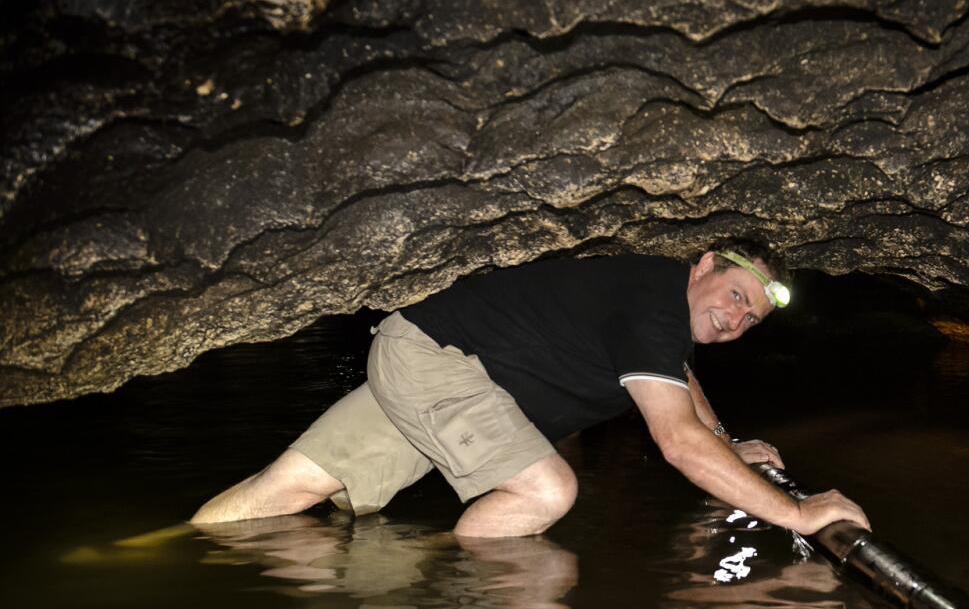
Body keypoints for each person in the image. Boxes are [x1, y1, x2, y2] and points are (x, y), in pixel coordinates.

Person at [191, 238, 870, 538]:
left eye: (752, 316)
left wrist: (731, 442)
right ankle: (455, 590)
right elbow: (677, 442)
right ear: (702, 265)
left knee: (291, 487)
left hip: (424, 356)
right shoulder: (655, 300)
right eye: (735, 292)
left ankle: (179, 548)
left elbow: (681, 384)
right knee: (548, 489)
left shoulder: (654, 313)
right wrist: (798, 514)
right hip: (444, 365)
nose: (738, 316)